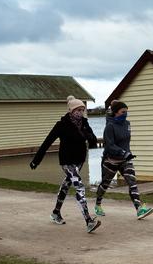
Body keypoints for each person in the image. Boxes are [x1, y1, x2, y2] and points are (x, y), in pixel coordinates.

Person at [30, 95, 101, 233]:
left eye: (82, 110)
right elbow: (47, 142)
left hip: (79, 160)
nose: (80, 113)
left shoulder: (85, 123)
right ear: (71, 111)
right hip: (67, 161)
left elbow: (92, 140)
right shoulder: (61, 125)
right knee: (79, 186)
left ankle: (56, 213)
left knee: (66, 185)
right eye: (77, 110)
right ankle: (88, 221)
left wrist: (88, 135)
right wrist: (36, 160)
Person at [95, 100, 153, 219]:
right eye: (123, 112)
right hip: (110, 160)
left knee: (132, 183)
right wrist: (122, 152)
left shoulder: (127, 124)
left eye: (127, 112)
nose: (125, 114)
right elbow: (110, 146)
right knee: (105, 184)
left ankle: (139, 209)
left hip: (126, 159)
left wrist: (127, 154)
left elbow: (125, 141)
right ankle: (98, 204)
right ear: (116, 112)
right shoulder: (109, 127)